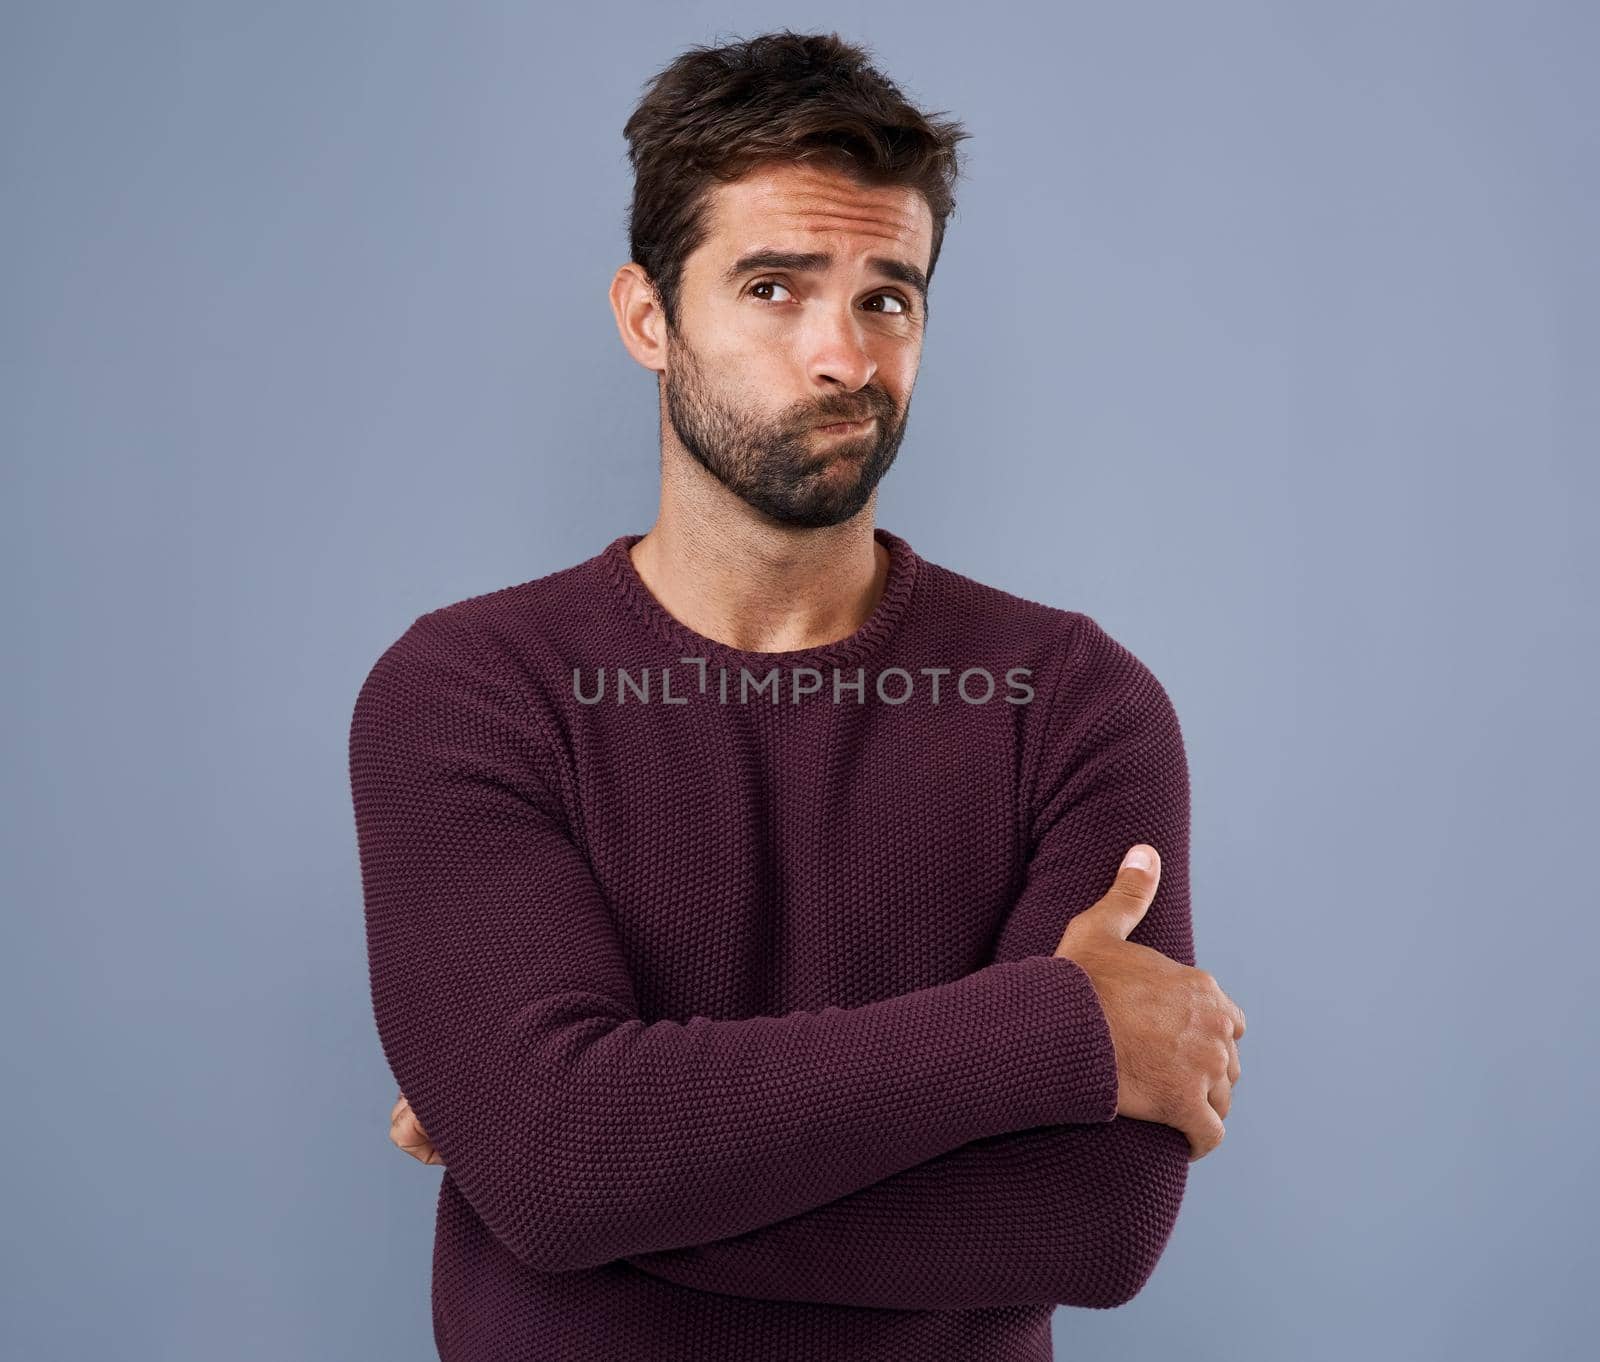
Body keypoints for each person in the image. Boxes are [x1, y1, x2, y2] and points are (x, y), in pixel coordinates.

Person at [349, 29, 1245, 1362]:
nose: (842, 357)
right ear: (648, 316)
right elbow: (560, 1157)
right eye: (774, 286)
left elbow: (1094, 1221)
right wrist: (1046, 1027)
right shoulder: (471, 693)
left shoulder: (1076, 704)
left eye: (889, 297)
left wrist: (570, 1153)